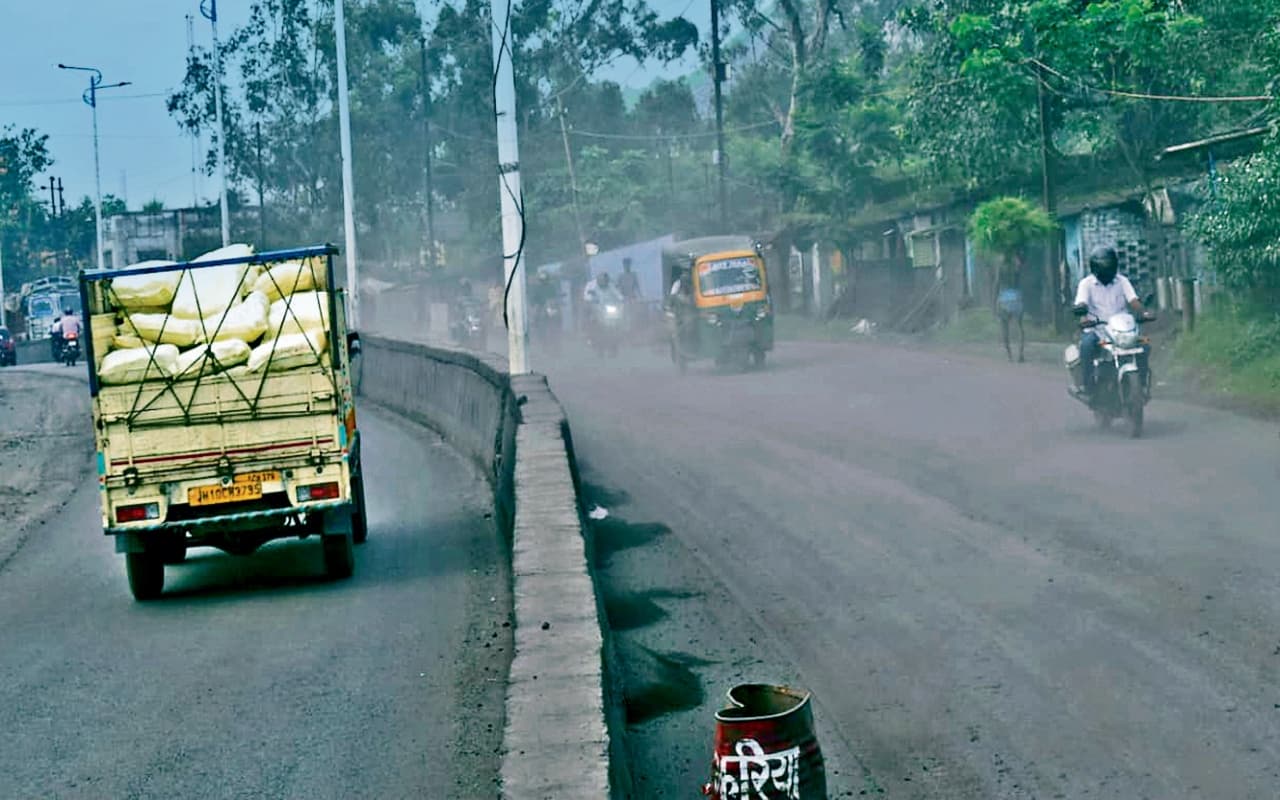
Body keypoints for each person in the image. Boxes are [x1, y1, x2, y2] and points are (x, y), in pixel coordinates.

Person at [1073, 246, 1153, 397]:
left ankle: (1141, 382)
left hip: (1122, 331)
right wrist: (1083, 316)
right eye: (1103, 265)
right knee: (1086, 346)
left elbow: (1133, 300)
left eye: (1109, 265)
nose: (1107, 269)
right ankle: (1088, 386)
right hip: (1097, 330)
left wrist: (1144, 312)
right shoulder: (1086, 284)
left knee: (1145, 345)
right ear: (1095, 267)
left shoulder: (1122, 281)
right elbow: (1081, 303)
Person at [995, 252, 1026, 363]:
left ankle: (1009, 356)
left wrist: (995, 301)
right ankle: (1020, 354)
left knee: (1005, 328)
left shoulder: (1001, 268)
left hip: (1004, 298)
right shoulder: (1016, 268)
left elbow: (997, 284)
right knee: (1019, 327)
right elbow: (1020, 279)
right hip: (1016, 297)